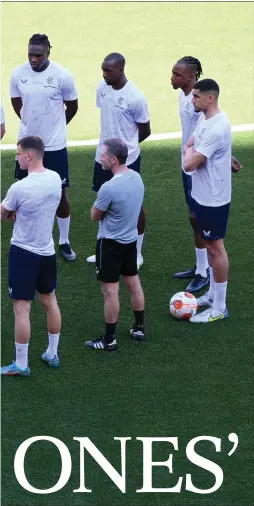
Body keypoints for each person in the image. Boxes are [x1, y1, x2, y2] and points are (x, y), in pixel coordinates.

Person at [171, 56, 242, 292]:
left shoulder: (201, 104)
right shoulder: (188, 97)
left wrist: (219, 155)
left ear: (192, 76)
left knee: (197, 218)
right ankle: (201, 266)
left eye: (178, 74)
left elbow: (214, 132)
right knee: (194, 217)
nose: (173, 78)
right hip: (194, 157)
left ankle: (204, 272)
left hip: (197, 163)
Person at [10, 33, 78, 261]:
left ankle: (64, 241)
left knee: (60, 193)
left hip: (54, 146)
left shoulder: (62, 76)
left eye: (38, 55)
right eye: (30, 54)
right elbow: (16, 102)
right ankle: (23, 238)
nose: (33, 59)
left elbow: (73, 105)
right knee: (22, 190)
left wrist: (57, 126)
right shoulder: (18, 74)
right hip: (27, 145)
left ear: (48, 52)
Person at [1, 136, 62, 376]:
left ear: (29, 155)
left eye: (18, 154)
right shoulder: (55, 178)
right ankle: (52, 353)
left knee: (22, 308)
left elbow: (3, 213)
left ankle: (22, 364)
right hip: (47, 250)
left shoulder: (20, 187)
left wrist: (12, 212)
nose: (16, 158)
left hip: (24, 252)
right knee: (50, 301)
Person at [86, 52, 151, 269]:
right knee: (104, 202)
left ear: (121, 69)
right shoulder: (102, 89)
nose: (104, 74)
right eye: (103, 70)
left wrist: (125, 151)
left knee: (136, 206)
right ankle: (103, 248)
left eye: (108, 71)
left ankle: (137, 253)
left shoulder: (136, 98)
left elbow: (145, 130)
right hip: (103, 158)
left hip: (127, 162)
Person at [85, 138, 145, 351]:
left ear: (112, 159)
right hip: (130, 242)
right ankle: (139, 329)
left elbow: (94, 215)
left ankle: (109, 339)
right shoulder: (137, 178)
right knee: (134, 284)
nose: (100, 157)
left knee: (110, 292)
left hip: (110, 245)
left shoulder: (108, 188)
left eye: (103, 155)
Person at [183, 79, 232, 323]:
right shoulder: (205, 118)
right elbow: (191, 143)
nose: (192, 100)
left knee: (215, 247)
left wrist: (188, 153)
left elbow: (189, 162)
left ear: (209, 98)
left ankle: (220, 307)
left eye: (196, 96)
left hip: (214, 198)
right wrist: (190, 150)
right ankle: (212, 295)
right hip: (202, 194)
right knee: (210, 245)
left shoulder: (216, 127)